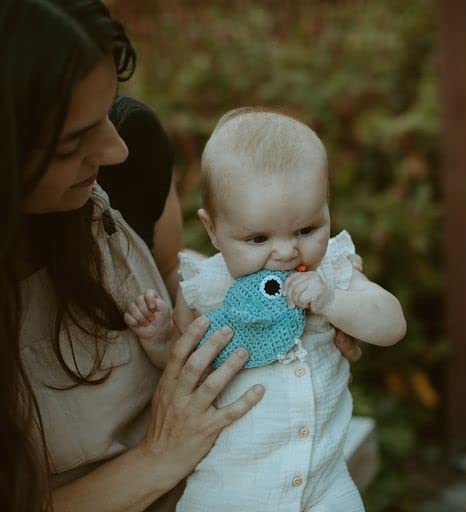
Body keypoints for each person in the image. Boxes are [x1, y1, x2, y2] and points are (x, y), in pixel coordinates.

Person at [1, 2, 363, 511]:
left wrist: (303, 299)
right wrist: (159, 457)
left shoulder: (131, 159)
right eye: (71, 143)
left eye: (108, 109)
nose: (115, 148)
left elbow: (179, 277)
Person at [125, 108, 407, 511]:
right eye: (258, 238)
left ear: (326, 209)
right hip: (230, 493)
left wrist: (333, 301)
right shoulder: (205, 288)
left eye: (308, 230)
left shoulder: (331, 271)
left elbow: (391, 324)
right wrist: (159, 339)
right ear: (213, 230)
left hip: (324, 484)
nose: (287, 252)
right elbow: (182, 364)